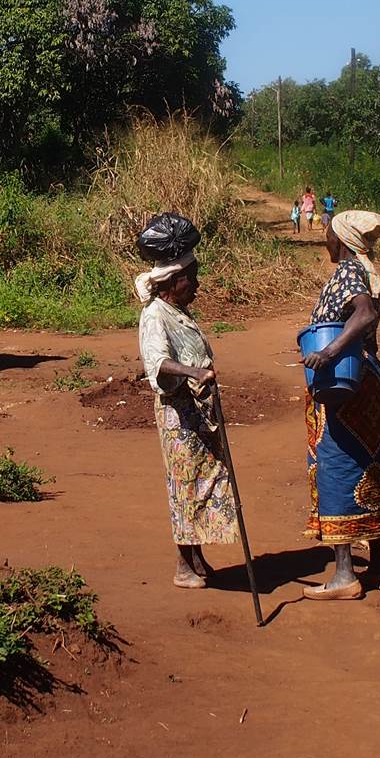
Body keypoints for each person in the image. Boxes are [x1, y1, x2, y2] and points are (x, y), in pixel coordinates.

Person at [298, 210, 380, 599]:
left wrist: (329, 352)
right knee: (370, 463)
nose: (324, 238)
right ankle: (379, 566)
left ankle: (344, 574)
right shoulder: (366, 273)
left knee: (335, 463)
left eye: (328, 233)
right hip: (369, 377)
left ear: (340, 240)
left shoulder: (347, 273)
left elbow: (363, 316)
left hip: (344, 381)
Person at [136, 250, 242, 589]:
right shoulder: (155, 315)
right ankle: (183, 565)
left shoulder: (177, 311)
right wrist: (195, 372)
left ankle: (196, 557)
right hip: (177, 415)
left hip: (196, 412)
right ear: (171, 282)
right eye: (189, 278)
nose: (195, 284)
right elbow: (158, 364)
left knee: (203, 480)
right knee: (184, 485)